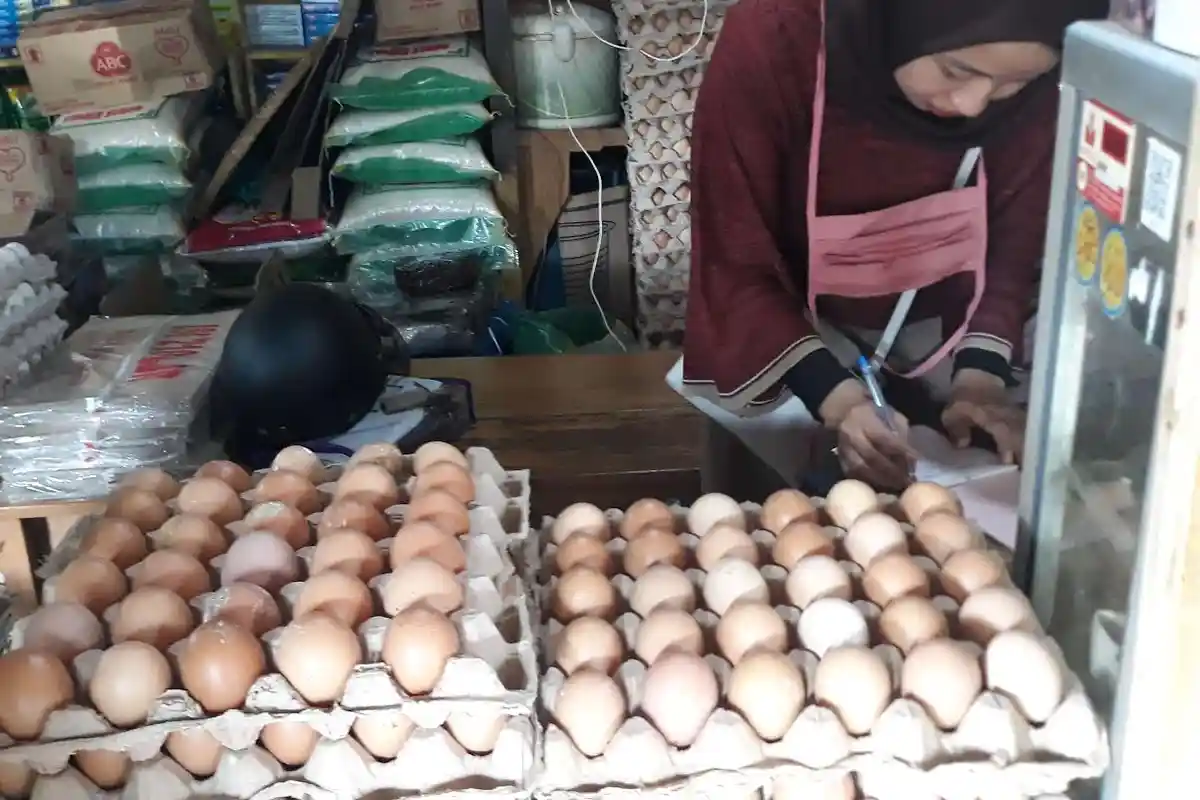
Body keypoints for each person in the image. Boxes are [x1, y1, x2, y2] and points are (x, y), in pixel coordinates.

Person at [668, 0, 1108, 489]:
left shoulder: (1040, 64)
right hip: (788, 328)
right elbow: (735, 250)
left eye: (1011, 86)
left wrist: (981, 379)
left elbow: (1016, 231)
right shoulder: (778, 32)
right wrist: (839, 399)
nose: (971, 105)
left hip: (955, 323)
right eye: (953, 69)